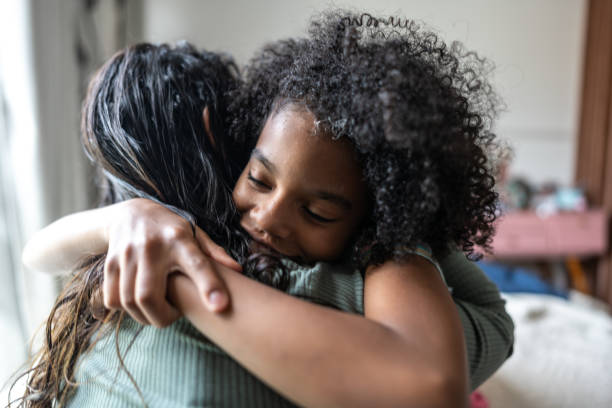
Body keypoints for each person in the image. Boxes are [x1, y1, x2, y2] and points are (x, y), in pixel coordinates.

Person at [20, 11, 513, 408]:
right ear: (240, 139)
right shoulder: (343, 293)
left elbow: (38, 254)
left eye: (318, 212)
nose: (269, 218)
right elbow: (492, 323)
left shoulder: (107, 277)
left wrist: (157, 251)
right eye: (257, 179)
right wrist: (125, 220)